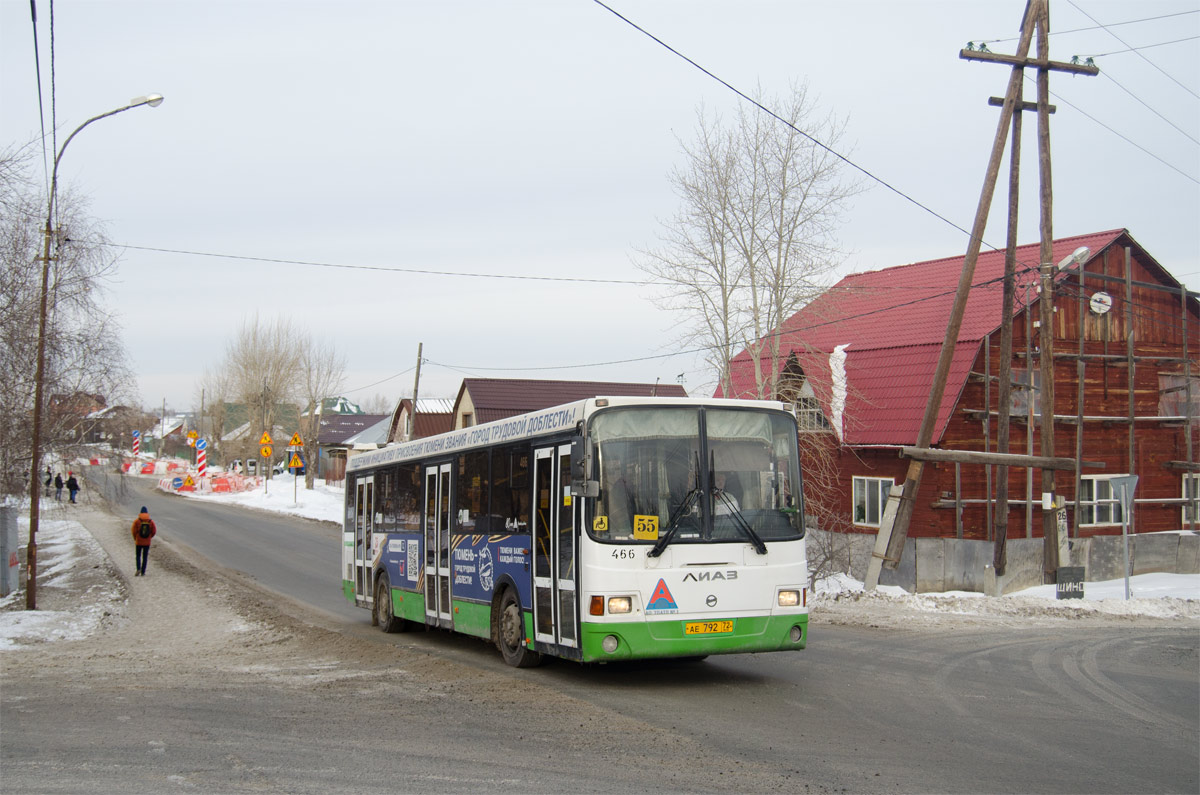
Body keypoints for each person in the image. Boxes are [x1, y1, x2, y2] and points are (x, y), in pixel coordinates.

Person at [130, 506, 157, 576]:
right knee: (145, 557)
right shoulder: (151, 521)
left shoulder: (137, 521)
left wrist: (135, 538)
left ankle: (138, 568)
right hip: (147, 542)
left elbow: (133, 531)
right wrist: (149, 537)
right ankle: (143, 572)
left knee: (138, 555)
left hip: (138, 541)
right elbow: (154, 531)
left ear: (140, 512)